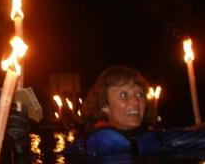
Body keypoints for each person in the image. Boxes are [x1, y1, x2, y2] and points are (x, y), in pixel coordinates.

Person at [65, 65, 205, 156]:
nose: (136, 101)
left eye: (139, 94)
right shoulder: (83, 149)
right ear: (104, 105)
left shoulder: (160, 139)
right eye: (124, 95)